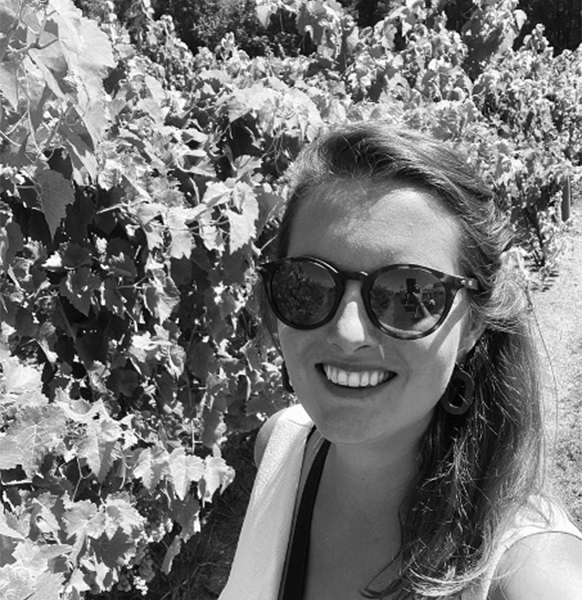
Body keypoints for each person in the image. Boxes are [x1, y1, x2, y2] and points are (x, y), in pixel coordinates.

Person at [218, 122, 582, 600]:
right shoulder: (280, 448)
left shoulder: (527, 574)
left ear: (473, 325)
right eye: (307, 284)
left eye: (409, 294)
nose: (348, 334)